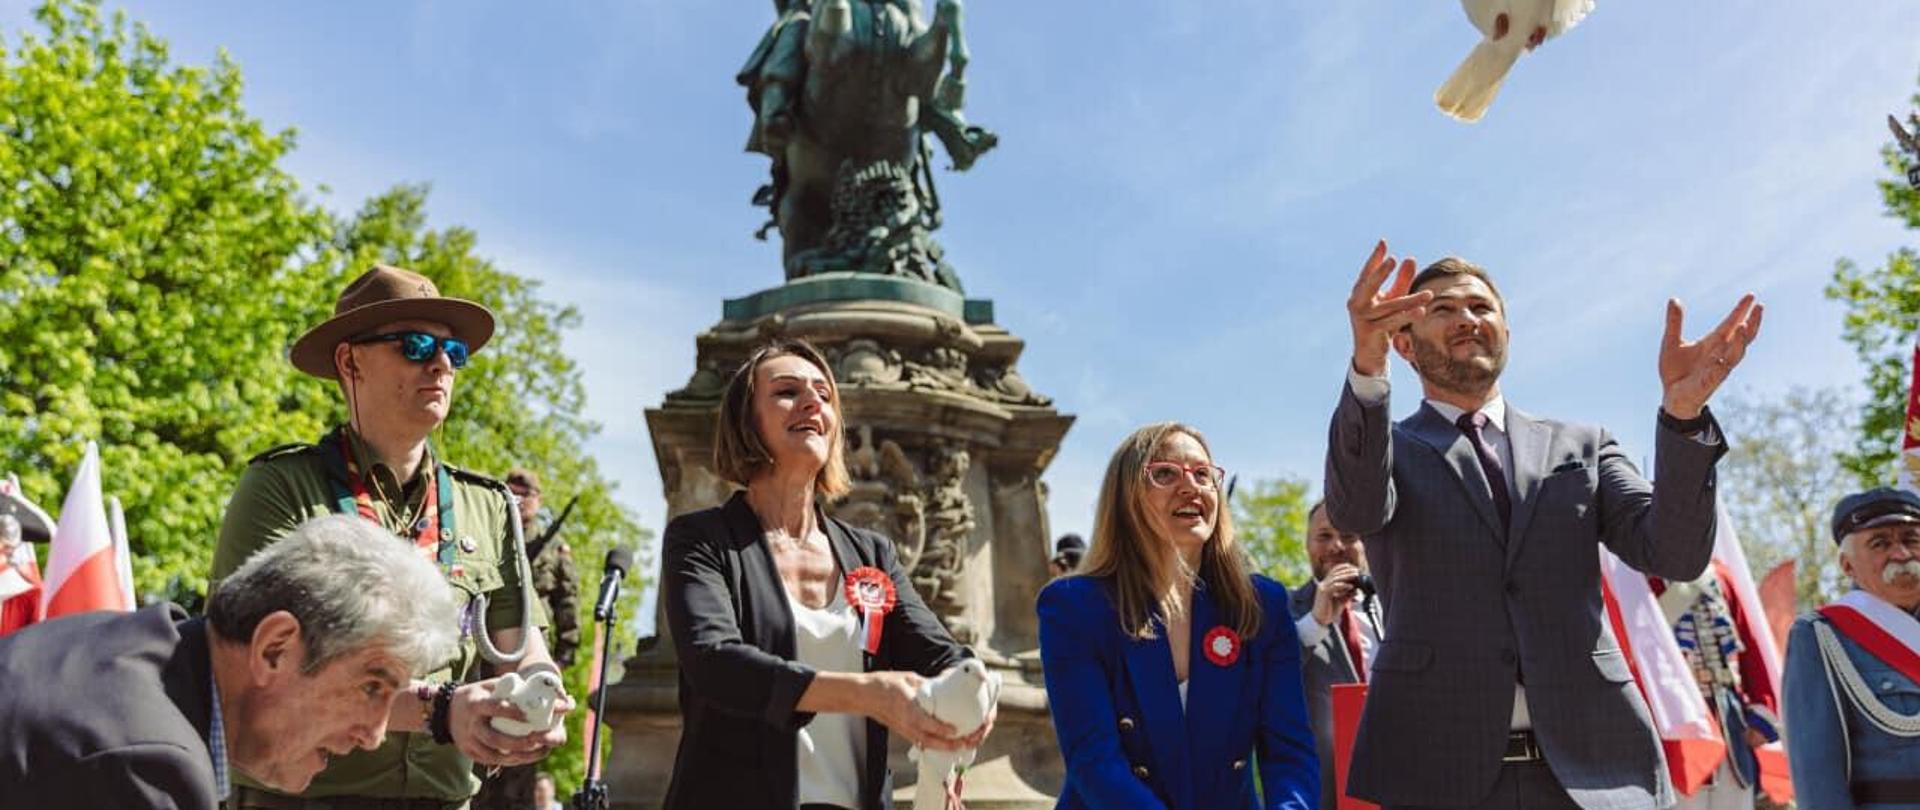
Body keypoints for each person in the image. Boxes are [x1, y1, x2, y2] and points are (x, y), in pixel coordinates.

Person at [1328, 243, 1762, 809]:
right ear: (1403, 342)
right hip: (1437, 775)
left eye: (1482, 308)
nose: (1467, 318)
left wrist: (1682, 419)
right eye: (1443, 309)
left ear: (1505, 331)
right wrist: (1367, 366)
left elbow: (1675, 555)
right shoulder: (1385, 449)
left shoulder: (1581, 446)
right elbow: (1356, 512)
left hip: (1596, 772)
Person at [213, 264, 572, 809]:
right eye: (415, 345)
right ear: (349, 361)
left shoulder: (487, 506)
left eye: (454, 353)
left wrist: (540, 694)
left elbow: (521, 649)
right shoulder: (280, 487)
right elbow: (252, 667)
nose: (440, 365)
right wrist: (441, 710)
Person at [659, 339, 988, 810]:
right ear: (745, 420)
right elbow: (715, 663)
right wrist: (868, 695)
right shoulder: (702, 539)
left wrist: (973, 693)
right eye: (787, 391)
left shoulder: (871, 552)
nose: (813, 401)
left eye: (824, 395)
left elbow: (938, 653)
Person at [0, 514, 461, 810]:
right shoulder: (148, 767)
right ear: (274, 648)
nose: (375, 735)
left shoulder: (112, 643)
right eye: (372, 687)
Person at [1038, 422, 1318, 809]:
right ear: (1126, 498)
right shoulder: (1073, 607)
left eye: (1203, 474)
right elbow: (1094, 762)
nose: (1191, 486)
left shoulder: (1264, 605)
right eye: (1165, 473)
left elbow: (1290, 754)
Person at [1783, 487, 1920, 808]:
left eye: (1911, 539)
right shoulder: (1821, 636)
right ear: (1847, 565)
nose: (1901, 554)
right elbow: (1817, 774)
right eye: (1880, 543)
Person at [475, 468, 582, 810]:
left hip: (530, 662)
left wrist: (560, 661)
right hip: (484, 657)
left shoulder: (553, 550)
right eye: (513, 494)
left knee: (519, 756)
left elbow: (568, 606)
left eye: (526, 496)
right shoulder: (488, 535)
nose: (518, 503)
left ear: (538, 501)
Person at [1648, 562, 1781, 809]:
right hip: (1674, 723)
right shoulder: (1637, 576)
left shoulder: (1718, 575)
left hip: (1729, 723)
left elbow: (1748, 645)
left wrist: (1762, 707)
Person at [1288, 500, 1381, 810]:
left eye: (1349, 535)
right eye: (1324, 536)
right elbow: (1267, 678)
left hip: (1400, 786)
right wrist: (1316, 622)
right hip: (1323, 796)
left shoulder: (1398, 606)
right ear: (1307, 545)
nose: (1337, 546)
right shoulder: (1281, 609)